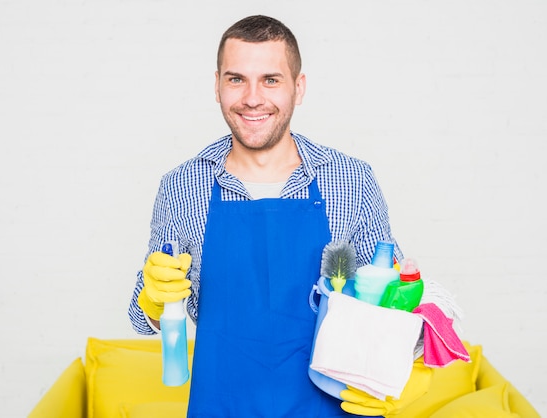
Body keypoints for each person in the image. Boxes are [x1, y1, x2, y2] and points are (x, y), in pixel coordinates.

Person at [129, 15, 410, 417]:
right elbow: (145, 318)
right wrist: (154, 299)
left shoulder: (352, 179)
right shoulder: (181, 185)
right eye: (236, 79)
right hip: (222, 404)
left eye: (271, 80)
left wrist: (412, 372)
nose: (253, 98)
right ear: (217, 85)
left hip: (330, 406)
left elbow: (393, 302)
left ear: (299, 87)